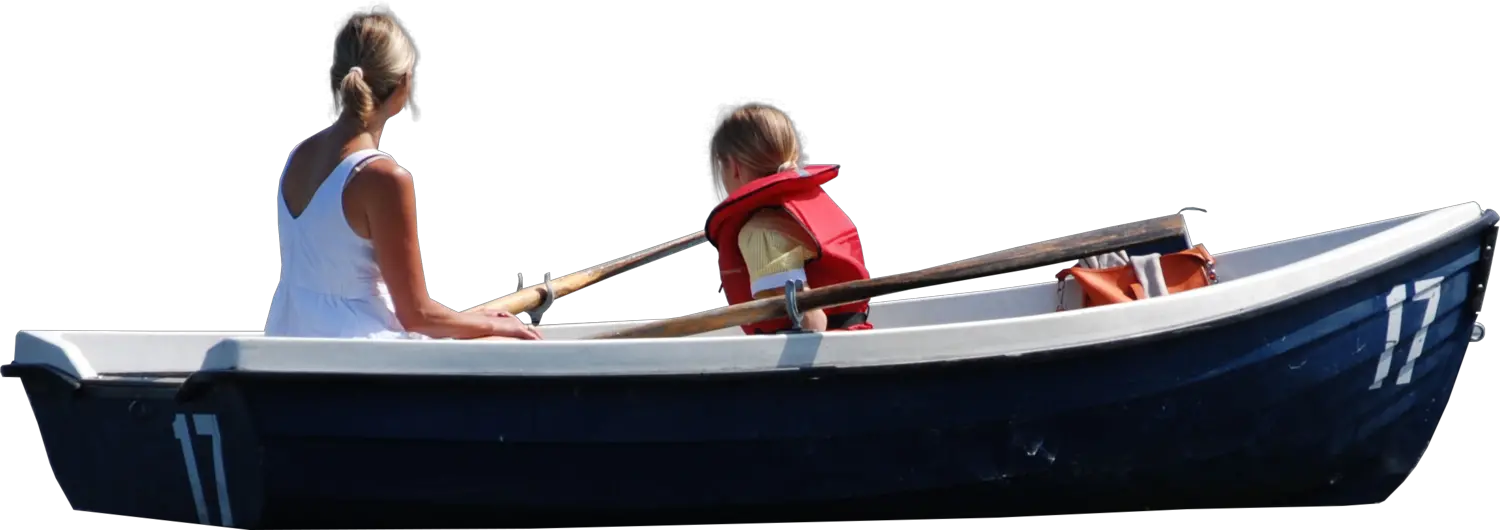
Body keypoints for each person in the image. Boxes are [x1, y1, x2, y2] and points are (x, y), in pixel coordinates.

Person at [266, 11, 540, 340]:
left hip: (288, 340)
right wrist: (497, 325)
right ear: (402, 85)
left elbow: (347, 284)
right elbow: (417, 316)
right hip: (357, 355)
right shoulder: (383, 178)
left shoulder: (299, 156)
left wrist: (476, 317)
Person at [704, 103, 875, 335]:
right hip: (855, 331)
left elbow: (812, 321)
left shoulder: (760, 233)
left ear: (734, 168)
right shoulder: (803, 208)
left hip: (828, 356)